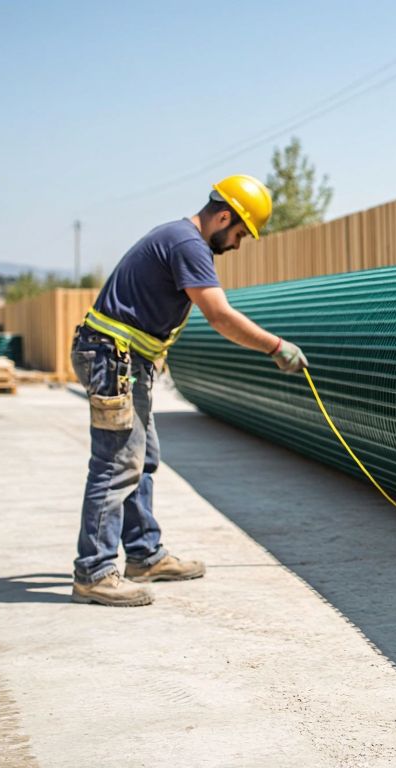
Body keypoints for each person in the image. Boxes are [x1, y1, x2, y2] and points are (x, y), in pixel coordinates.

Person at [70, 174, 307, 607]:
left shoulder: (180, 239)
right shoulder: (188, 245)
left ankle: (143, 554)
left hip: (125, 360)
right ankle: (94, 571)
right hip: (110, 357)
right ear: (222, 216)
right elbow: (218, 314)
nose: (237, 244)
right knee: (117, 462)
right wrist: (275, 346)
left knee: (143, 458)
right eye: (239, 233)